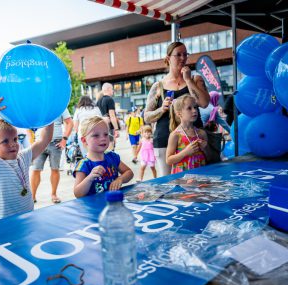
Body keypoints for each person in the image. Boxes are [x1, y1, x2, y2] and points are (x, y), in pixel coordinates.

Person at [0, 91, 53, 220]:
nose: (13, 144)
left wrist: (50, 114)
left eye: (15, 139)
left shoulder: (23, 157)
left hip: (27, 219)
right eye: (5, 141)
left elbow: (44, 139)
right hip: (4, 225)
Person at [144, 41, 209, 177]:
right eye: (178, 54)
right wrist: (162, 109)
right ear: (168, 58)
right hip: (164, 140)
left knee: (199, 181)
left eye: (185, 54)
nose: (182, 58)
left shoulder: (195, 79)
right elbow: (146, 116)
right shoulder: (158, 86)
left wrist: (188, 81)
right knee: (168, 183)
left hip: (193, 138)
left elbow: (204, 103)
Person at [73, 116, 133, 197]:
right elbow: (77, 193)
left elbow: (129, 172)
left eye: (105, 134)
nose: (103, 138)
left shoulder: (112, 157)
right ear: (84, 140)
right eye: (96, 135)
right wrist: (90, 178)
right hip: (95, 208)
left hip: (114, 203)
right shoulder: (83, 165)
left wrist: (120, 179)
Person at [30, 108, 73, 204]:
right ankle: (32, 196)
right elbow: (29, 124)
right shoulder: (39, 104)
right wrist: (31, 140)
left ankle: (54, 194)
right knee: (35, 169)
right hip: (39, 142)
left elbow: (70, 123)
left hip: (56, 142)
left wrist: (64, 140)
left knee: (55, 169)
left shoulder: (60, 105)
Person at [166, 94, 207, 174]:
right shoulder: (175, 135)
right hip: (183, 176)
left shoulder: (201, 133)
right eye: (189, 108)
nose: (194, 110)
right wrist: (185, 152)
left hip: (200, 174)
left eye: (195, 107)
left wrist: (205, 148)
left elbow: (209, 157)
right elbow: (168, 160)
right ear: (179, 114)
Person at [96, 83, 120, 151]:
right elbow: (112, 115)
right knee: (110, 148)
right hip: (108, 127)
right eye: (112, 89)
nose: (113, 91)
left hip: (100, 127)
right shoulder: (109, 99)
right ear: (108, 89)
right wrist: (116, 129)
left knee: (104, 148)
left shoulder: (98, 101)